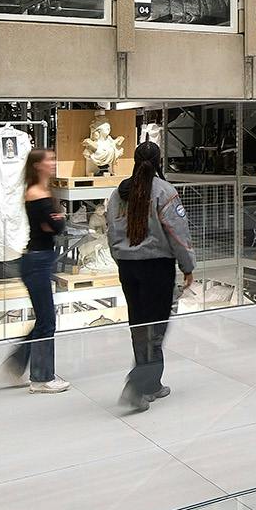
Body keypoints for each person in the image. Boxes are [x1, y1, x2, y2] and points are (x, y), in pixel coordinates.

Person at [105, 140, 195, 411]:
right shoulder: (164, 191)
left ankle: (152, 384)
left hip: (128, 266)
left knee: (139, 325)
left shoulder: (118, 194)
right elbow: (177, 232)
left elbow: (110, 231)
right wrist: (187, 265)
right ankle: (137, 387)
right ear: (158, 161)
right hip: (156, 266)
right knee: (156, 328)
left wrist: (120, 257)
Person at [1, 147, 68, 392]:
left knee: (43, 319)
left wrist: (56, 220)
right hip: (37, 262)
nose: (53, 163)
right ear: (38, 165)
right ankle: (42, 378)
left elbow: (55, 224)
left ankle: (17, 363)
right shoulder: (36, 193)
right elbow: (56, 225)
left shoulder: (43, 192)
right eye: (50, 160)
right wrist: (58, 218)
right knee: (47, 321)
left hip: (40, 260)